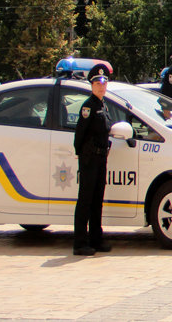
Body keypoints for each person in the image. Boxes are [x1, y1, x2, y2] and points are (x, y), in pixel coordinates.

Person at [73, 63, 113, 256]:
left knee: (97, 200)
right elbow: (79, 135)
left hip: (101, 159)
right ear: (91, 85)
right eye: (97, 82)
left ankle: (96, 238)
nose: (101, 85)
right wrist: (83, 156)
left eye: (104, 82)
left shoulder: (103, 105)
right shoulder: (88, 106)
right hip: (89, 159)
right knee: (85, 200)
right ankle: (80, 242)